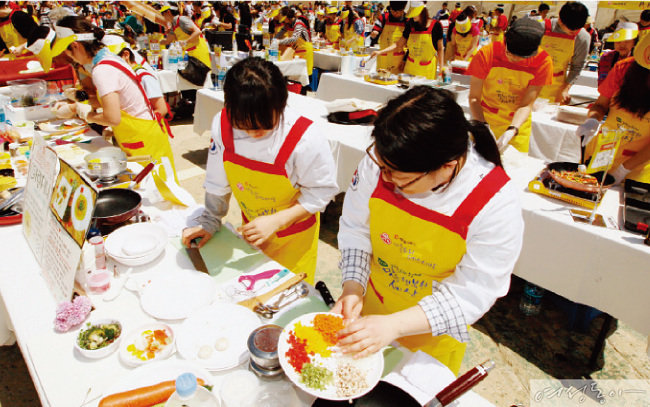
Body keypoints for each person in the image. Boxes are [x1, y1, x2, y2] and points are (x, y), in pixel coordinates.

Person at [329, 87, 523, 401]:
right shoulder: (386, 161)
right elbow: (355, 227)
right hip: (371, 311)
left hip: (433, 336)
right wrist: (353, 286)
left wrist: (394, 326)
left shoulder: (495, 202)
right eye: (383, 169)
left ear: (446, 166)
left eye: (399, 178)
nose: (386, 179)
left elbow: (474, 290)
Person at [181, 57, 337, 284]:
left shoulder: (304, 138)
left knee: (287, 296)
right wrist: (211, 219)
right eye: (244, 126)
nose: (254, 134)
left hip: (293, 238)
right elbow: (218, 180)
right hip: (253, 227)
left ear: (282, 106)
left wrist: (277, 221)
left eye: (265, 126)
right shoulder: (222, 125)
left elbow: (321, 192)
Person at [51, 16, 178, 186]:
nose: (72, 59)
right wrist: (78, 102)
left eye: (69, 53)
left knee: (159, 192)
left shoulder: (102, 70)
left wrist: (82, 112)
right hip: (142, 133)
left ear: (76, 46)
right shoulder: (109, 59)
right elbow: (115, 102)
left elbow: (112, 117)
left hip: (142, 138)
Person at [468, 17, 553, 153]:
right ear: (505, 40)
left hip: (517, 125)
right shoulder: (487, 54)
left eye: (522, 57)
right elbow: (474, 98)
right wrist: (483, 126)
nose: (514, 60)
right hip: (485, 118)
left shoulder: (543, 62)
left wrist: (512, 129)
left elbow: (526, 104)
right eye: (510, 53)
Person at [577, 33, 650, 184]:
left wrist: (624, 169)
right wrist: (592, 120)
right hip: (603, 151)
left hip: (639, 165)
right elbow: (600, 104)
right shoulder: (623, 68)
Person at [371, 2, 444, 80]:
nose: (412, 16)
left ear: (422, 12)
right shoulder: (410, 24)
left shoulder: (436, 26)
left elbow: (440, 48)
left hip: (427, 70)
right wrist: (380, 52)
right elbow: (398, 44)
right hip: (410, 68)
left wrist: (441, 69)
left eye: (414, 13)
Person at [538, 1, 589, 104]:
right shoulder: (541, 28)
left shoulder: (583, 37)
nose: (574, 32)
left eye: (578, 29)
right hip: (531, 79)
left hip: (555, 86)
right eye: (571, 30)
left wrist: (565, 89)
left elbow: (577, 66)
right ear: (560, 21)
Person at [117, 46, 171, 128]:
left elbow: (161, 109)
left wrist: (139, 125)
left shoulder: (144, 77)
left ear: (126, 55)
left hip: (146, 130)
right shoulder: (125, 76)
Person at [160, 5, 211, 74]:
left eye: (163, 14)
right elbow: (168, 41)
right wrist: (155, 42)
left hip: (198, 52)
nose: (163, 17)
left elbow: (198, 31)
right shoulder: (173, 24)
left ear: (168, 12)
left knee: (203, 78)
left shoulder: (182, 19)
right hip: (188, 55)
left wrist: (186, 42)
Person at [370, 1, 407, 74]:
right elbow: (376, 28)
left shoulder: (407, 20)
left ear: (403, 10)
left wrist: (404, 60)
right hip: (383, 58)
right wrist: (375, 32)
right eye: (393, 11)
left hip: (398, 59)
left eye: (398, 12)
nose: (395, 13)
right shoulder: (384, 17)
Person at [277, 7, 314, 76]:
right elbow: (280, 33)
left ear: (288, 17)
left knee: (305, 75)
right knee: (296, 75)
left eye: (284, 19)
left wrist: (279, 42)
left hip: (305, 51)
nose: (283, 21)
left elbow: (294, 39)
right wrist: (274, 39)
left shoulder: (298, 24)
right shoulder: (287, 25)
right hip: (297, 50)